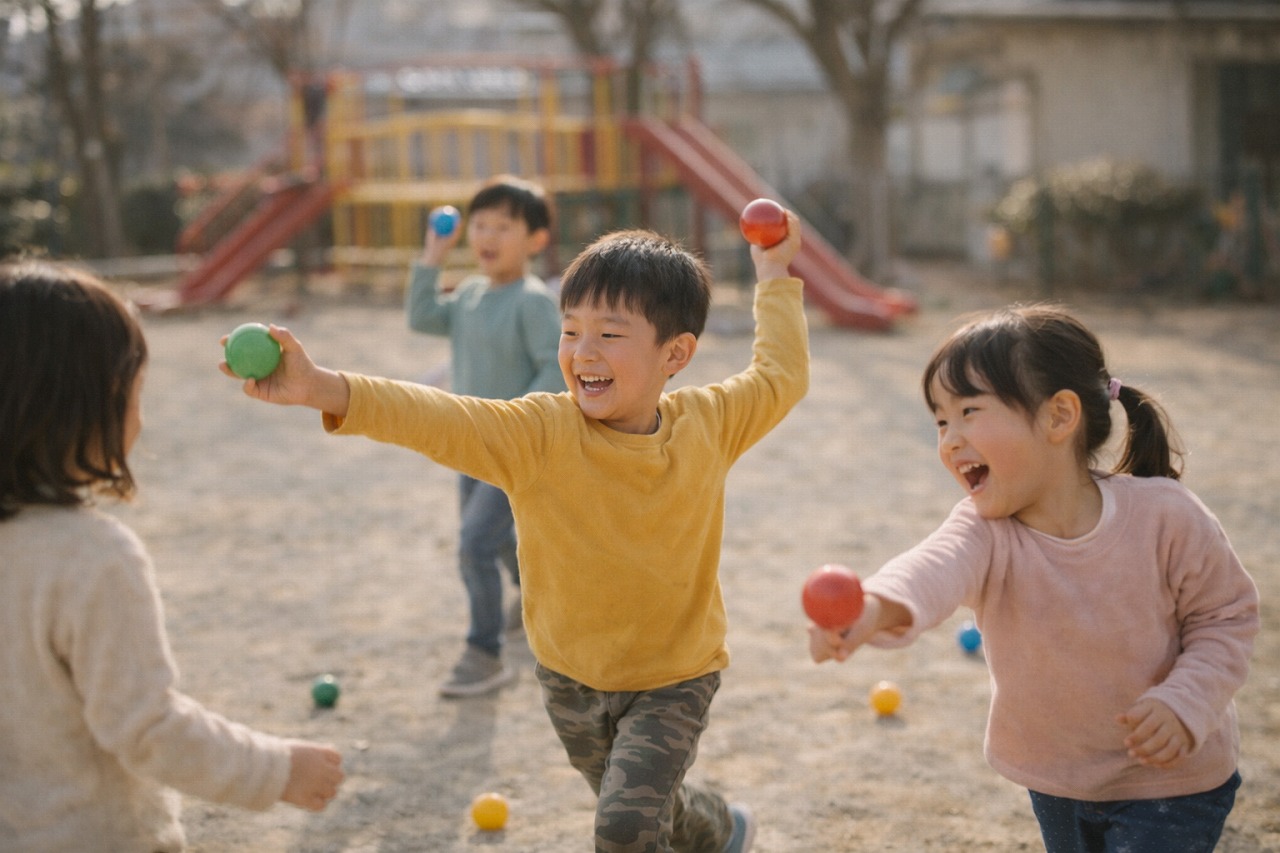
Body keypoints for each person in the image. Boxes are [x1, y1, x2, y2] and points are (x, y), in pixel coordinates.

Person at [221, 218, 810, 852]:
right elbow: (439, 418)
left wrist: (774, 272)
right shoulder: (540, 433)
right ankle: (722, 829)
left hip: (675, 678)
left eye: (610, 335)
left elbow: (781, 375)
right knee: (640, 802)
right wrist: (323, 388)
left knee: (624, 826)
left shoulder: (711, 424)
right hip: (567, 674)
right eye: (571, 331)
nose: (584, 352)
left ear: (676, 353)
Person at [809, 305, 1259, 853]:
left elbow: (1226, 618)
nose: (950, 439)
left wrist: (1185, 702)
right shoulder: (985, 530)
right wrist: (873, 607)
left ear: (1058, 417)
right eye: (941, 421)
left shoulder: (1165, 516)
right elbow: (931, 568)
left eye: (970, 411)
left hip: (1174, 781)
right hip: (1057, 779)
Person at [0, 260, 345, 850]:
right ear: (91, 405)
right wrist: (277, 769)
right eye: (135, 393)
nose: (141, 413)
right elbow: (145, 728)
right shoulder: (92, 557)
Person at [406, 175, 564, 697]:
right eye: (479, 225)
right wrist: (434, 254)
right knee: (498, 544)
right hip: (467, 447)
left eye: (503, 226)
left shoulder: (533, 300)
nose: (487, 236)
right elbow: (423, 315)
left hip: (512, 451)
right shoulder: (471, 294)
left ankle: (484, 652)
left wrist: (515, 422)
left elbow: (555, 369)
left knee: (475, 544)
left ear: (535, 240)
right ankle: (535, 596)